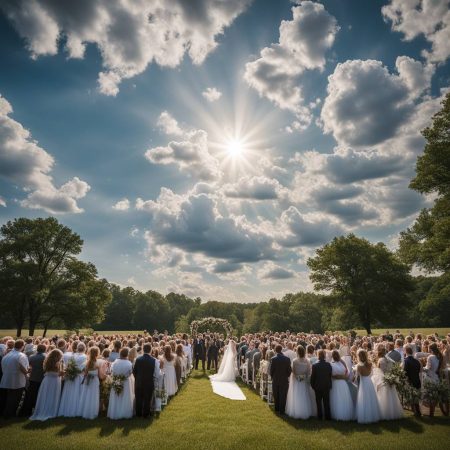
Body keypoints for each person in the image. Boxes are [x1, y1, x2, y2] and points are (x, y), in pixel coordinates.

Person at [30, 349, 63, 421]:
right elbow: (56, 374)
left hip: (47, 380)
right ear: (57, 356)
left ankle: (44, 409)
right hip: (54, 381)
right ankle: (50, 410)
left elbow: (48, 372)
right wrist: (63, 373)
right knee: (52, 395)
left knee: (46, 395)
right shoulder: (56, 363)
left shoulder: (47, 361)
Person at [372, 346, 403, 420]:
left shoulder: (381, 360)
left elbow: (380, 371)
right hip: (389, 379)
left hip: (383, 379)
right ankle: (392, 412)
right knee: (391, 396)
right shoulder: (389, 360)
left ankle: (384, 413)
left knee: (383, 396)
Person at [0, 339, 29, 418]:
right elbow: (24, 370)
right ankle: (10, 414)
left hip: (6, 379)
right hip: (16, 381)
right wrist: (28, 370)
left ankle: (5, 413)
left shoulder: (7, 355)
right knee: (14, 399)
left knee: (7, 398)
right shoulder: (22, 356)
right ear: (22, 346)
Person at [58, 342, 87, 417]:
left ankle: (66, 408)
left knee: (69, 393)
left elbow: (68, 366)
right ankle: (77, 410)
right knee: (78, 393)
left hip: (70, 376)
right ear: (84, 349)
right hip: (79, 377)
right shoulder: (85, 357)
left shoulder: (72, 356)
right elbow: (83, 369)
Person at [286, 345, 314, 419]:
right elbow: (309, 372)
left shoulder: (294, 361)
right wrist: (304, 377)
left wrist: (298, 377)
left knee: (296, 395)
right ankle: (304, 411)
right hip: (304, 380)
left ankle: (296, 411)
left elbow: (293, 371)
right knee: (304, 395)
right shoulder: (307, 361)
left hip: (296, 380)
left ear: (297, 352)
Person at [107, 347, 134, 419]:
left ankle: (115, 412)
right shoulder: (129, 363)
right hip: (125, 382)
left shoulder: (114, 363)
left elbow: (111, 372)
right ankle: (124, 413)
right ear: (127, 354)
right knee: (125, 397)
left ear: (120, 354)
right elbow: (130, 374)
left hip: (116, 380)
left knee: (116, 397)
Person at [355, 349, 380, 424]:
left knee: (364, 398)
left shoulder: (359, 366)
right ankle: (372, 415)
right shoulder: (370, 364)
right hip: (369, 381)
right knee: (371, 398)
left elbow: (357, 376)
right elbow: (371, 373)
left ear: (359, 356)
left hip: (363, 382)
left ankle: (365, 416)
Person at [134, 343, 158, 418]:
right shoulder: (154, 360)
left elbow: (134, 371)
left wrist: (138, 378)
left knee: (139, 398)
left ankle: (138, 414)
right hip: (149, 382)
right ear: (151, 350)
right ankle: (146, 414)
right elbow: (156, 373)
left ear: (143, 349)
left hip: (139, 381)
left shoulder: (137, 359)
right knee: (147, 398)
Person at [79, 346, 104, 419]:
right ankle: (92, 412)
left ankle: (84, 411)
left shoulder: (87, 362)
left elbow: (85, 373)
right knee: (93, 396)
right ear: (97, 354)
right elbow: (100, 376)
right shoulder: (98, 363)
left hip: (87, 380)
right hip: (94, 381)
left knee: (86, 395)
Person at [21, 343, 46, 416]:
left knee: (30, 395)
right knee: (39, 395)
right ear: (44, 349)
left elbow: (28, 367)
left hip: (32, 378)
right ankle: (36, 409)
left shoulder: (31, 357)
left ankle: (27, 410)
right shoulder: (45, 357)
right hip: (41, 378)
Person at [330, 350, 354, 421]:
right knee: (342, 399)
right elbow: (346, 373)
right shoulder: (342, 363)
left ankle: (338, 414)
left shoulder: (332, 364)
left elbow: (332, 376)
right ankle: (344, 413)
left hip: (336, 383)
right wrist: (343, 377)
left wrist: (340, 377)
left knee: (337, 399)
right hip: (343, 383)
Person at [270, 344, 292, 415]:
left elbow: (271, 371)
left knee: (276, 394)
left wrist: (273, 377)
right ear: (281, 349)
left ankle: (277, 408)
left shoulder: (273, 359)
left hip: (276, 379)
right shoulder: (287, 359)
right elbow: (289, 371)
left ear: (275, 350)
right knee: (283, 395)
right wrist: (286, 376)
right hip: (284, 379)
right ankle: (282, 410)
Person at [310, 349, 332, 420]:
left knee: (318, 402)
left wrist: (313, 386)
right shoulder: (328, 365)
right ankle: (327, 416)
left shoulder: (315, 365)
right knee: (326, 402)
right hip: (326, 385)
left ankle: (320, 416)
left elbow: (312, 377)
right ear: (324, 356)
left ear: (318, 356)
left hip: (318, 386)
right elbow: (330, 375)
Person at [403, 345, 422, 417]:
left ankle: (415, 411)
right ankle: (417, 411)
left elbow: (405, 372)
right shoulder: (417, 361)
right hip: (417, 380)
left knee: (412, 396)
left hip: (410, 381)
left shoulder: (406, 361)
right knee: (416, 397)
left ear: (406, 352)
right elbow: (419, 371)